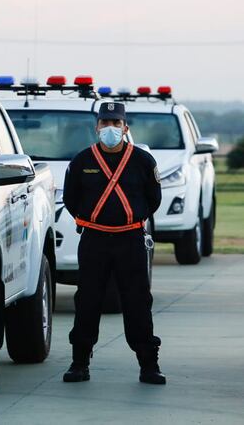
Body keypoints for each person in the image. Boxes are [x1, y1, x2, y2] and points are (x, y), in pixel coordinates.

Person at [62, 101, 166, 384]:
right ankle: (79, 363)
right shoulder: (82, 161)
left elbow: (153, 199)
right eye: (105, 123)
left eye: (115, 124)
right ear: (97, 127)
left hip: (130, 240)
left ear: (125, 127)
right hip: (94, 240)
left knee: (138, 302)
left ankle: (149, 365)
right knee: (87, 301)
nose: (110, 129)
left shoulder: (143, 161)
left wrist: (131, 219)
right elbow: (71, 200)